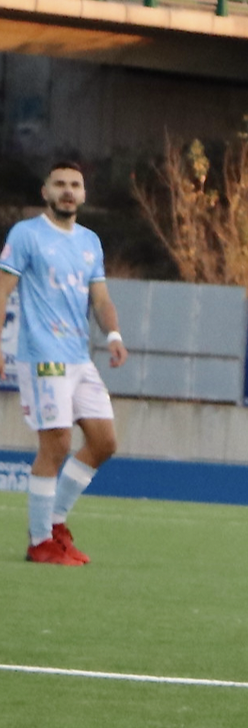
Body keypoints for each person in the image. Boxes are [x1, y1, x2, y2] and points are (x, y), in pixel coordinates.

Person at [1, 158, 124, 566]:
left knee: (104, 442)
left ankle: (54, 524)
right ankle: (40, 542)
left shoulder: (89, 241)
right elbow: (2, 290)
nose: (68, 190)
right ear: (46, 192)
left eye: (75, 184)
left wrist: (114, 335)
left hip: (79, 357)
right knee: (56, 445)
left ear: (83, 194)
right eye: (60, 184)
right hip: (43, 358)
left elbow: (101, 299)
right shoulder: (26, 235)